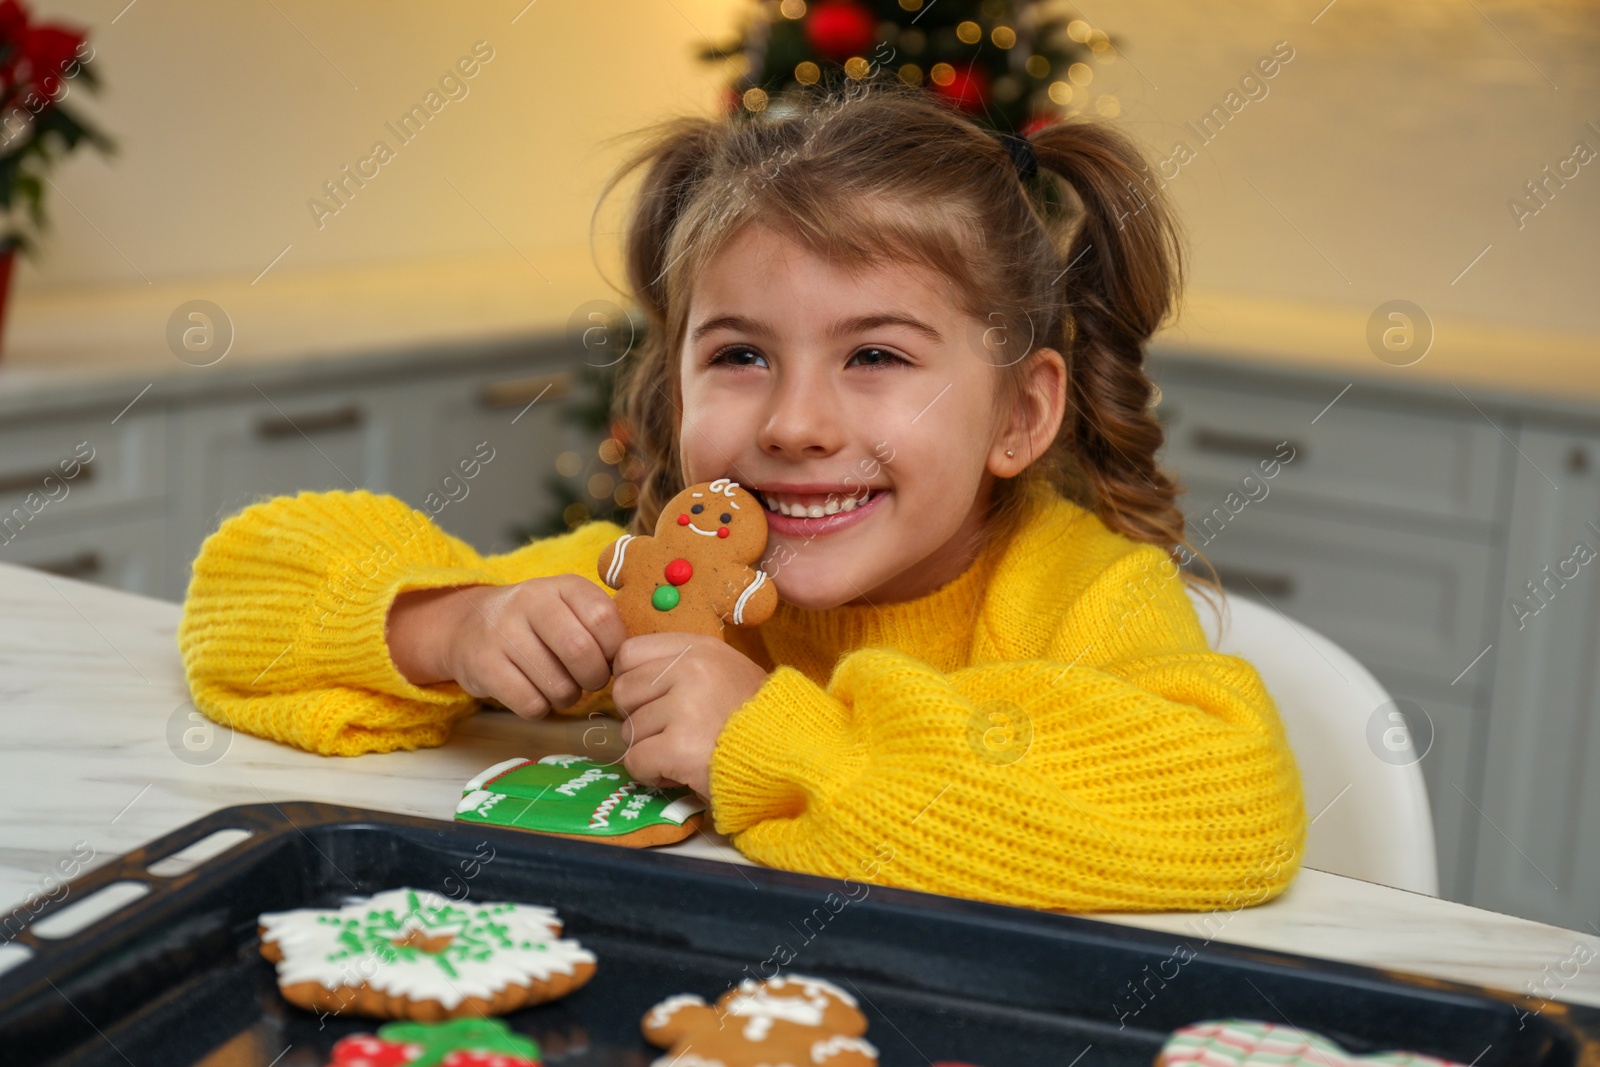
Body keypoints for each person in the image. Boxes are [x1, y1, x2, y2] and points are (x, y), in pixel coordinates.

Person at [178, 76, 1306, 913]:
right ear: (671, 389)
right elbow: (241, 593)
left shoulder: (1078, 590)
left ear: (1019, 415)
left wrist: (770, 739)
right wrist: (455, 626)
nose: (794, 424)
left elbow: (1233, 800)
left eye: (875, 356)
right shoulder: (661, 583)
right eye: (740, 355)